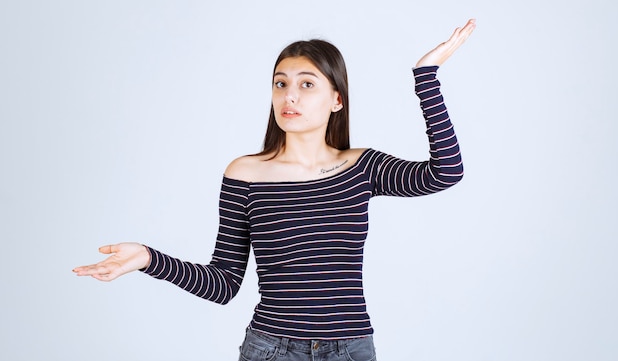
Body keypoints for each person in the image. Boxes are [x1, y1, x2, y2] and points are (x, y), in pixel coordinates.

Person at [73, 19, 476, 361]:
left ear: (337, 99)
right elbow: (223, 282)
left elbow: (445, 173)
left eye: (307, 84)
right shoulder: (245, 174)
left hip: (351, 349)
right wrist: (147, 258)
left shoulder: (361, 166)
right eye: (280, 84)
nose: (290, 96)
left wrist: (427, 76)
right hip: (271, 349)